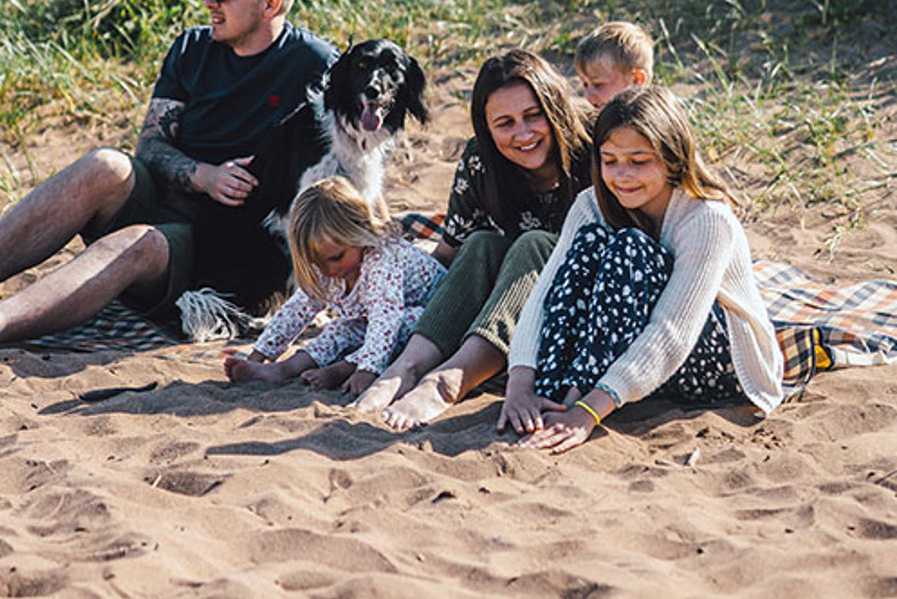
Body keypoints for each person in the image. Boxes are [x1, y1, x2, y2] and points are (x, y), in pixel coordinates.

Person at [0, 0, 338, 357]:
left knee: (141, 242)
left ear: (270, 3)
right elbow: (152, 149)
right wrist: (204, 175)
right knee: (106, 165)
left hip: (221, 243)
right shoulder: (191, 48)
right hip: (170, 196)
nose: (207, 2)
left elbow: (345, 169)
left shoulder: (315, 66)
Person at [499, 86, 783, 453]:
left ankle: (575, 400)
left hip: (720, 366)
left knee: (628, 248)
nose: (622, 175)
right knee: (589, 245)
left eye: (639, 161)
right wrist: (520, 384)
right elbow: (546, 292)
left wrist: (587, 412)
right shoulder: (592, 202)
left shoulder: (707, 218)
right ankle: (551, 399)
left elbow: (673, 330)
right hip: (638, 358)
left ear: (673, 159)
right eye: (610, 160)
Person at [356, 49, 595, 429]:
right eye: (505, 123)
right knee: (481, 242)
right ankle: (408, 366)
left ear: (555, 109)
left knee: (534, 242)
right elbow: (451, 251)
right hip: (513, 297)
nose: (523, 133)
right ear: (486, 127)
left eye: (534, 116)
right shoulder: (481, 161)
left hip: (578, 314)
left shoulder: (594, 146)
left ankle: (451, 378)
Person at [223, 176, 450, 395]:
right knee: (339, 329)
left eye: (337, 257)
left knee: (408, 322)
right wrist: (259, 353)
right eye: (317, 264)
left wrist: (368, 369)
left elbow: (386, 318)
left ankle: (344, 369)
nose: (330, 271)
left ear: (361, 230)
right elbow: (297, 310)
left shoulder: (382, 260)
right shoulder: (329, 268)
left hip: (433, 318)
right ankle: (285, 368)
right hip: (376, 323)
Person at [574, 21, 653, 110]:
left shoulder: (653, 121)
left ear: (636, 80)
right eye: (585, 85)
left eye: (598, 85)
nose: (587, 96)